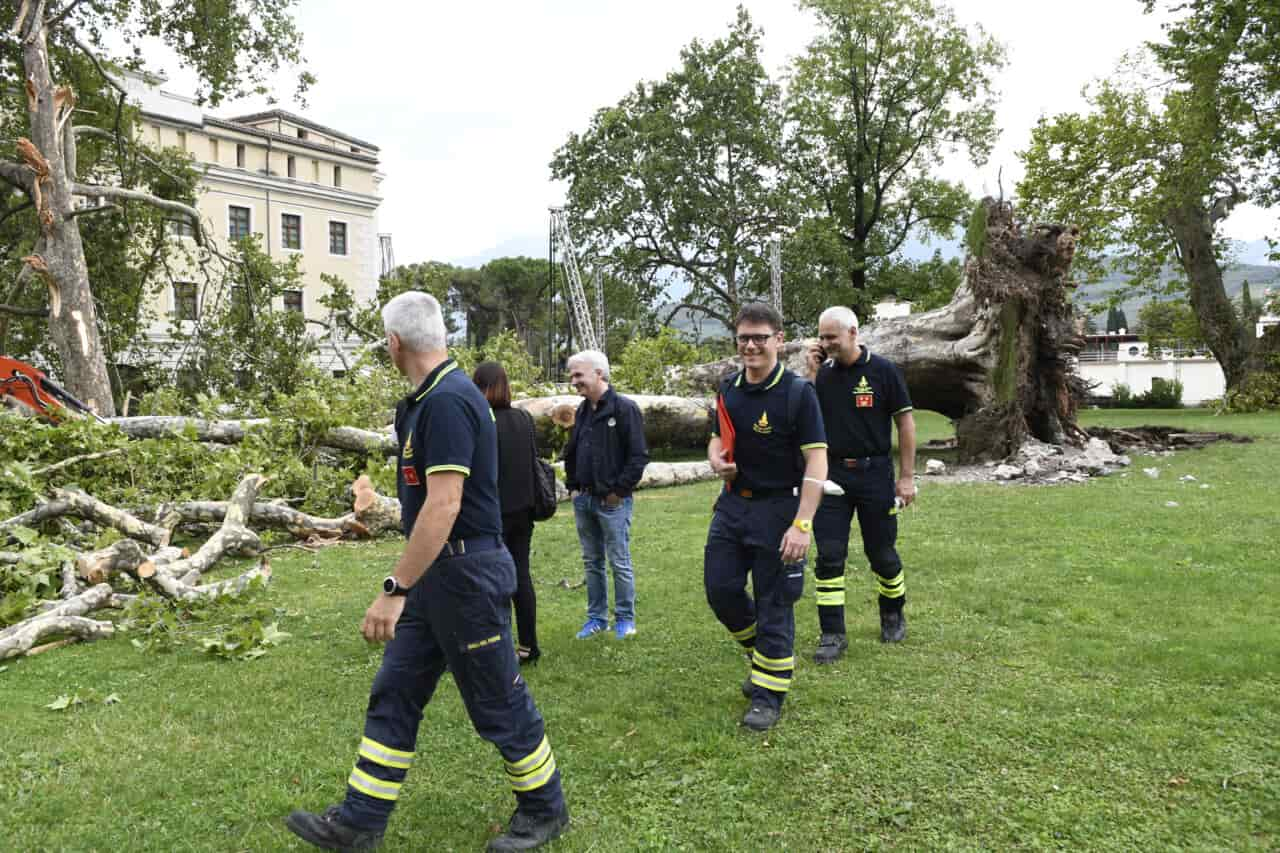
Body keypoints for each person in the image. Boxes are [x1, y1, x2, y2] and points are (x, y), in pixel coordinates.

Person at [285, 292, 568, 852]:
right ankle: (359, 824)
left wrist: (396, 588)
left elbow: (445, 506)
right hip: (437, 579)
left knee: (498, 702)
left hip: (464, 576)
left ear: (394, 343)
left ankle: (545, 809)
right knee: (395, 692)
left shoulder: (449, 401)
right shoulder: (419, 402)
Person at [705, 302, 828, 732]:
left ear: (779, 339)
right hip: (733, 505)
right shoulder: (729, 389)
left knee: (775, 603)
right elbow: (717, 439)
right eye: (744, 338)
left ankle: (767, 696)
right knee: (720, 590)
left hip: (780, 509)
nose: (751, 345)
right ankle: (766, 657)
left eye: (760, 337)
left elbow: (817, 463)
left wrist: (802, 524)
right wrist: (717, 460)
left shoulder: (798, 394)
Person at [806, 305, 917, 662]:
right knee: (829, 556)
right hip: (832, 476)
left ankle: (892, 611)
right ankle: (832, 634)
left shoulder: (884, 371)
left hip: (875, 475)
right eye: (822, 337)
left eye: (831, 337)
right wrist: (811, 374)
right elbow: (803, 417)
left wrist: (907, 478)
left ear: (853, 333)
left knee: (882, 554)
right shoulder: (821, 375)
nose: (826, 343)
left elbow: (905, 424)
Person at [562, 349, 649, 640]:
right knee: (592, 562)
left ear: (598, 373)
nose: (574, 381)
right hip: (583, 500)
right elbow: (572, 452)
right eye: (572, 375)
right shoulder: (582, 411)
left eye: (578, 375)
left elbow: (638, 457)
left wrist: (618, 492)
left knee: (619, 561)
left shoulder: (625, 409)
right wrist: (573, 487)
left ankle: (625, 619)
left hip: (612, 503)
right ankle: (596, 618)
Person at [473, 361, 543, 666]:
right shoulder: (524, 418)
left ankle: (494, 645)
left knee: (488, 580)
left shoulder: (480, 421)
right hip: (523, 509)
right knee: (520, 576)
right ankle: (529, 644)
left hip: (491, 511)